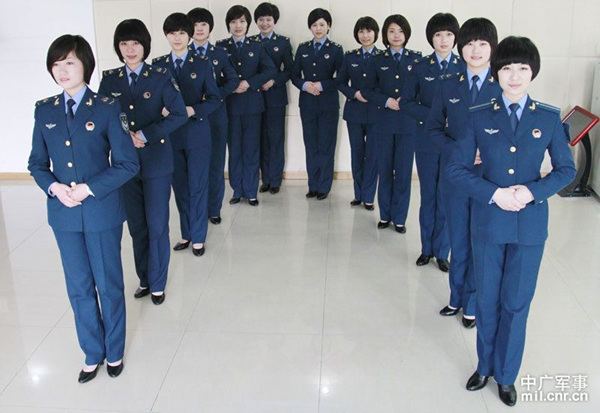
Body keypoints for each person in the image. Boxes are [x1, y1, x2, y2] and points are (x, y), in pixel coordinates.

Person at [447, 36, 576, 407]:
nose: (514, 76)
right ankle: (484, 367)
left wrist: (533, 192)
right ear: (496, 72)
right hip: (489, 223)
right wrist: (494, 193)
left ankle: (506, 375)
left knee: (516, 304)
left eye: (522, 68)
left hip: (529, 227)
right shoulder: (478, 115)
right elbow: (456, 169)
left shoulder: (548, 118)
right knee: (487, 301)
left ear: (533, 72)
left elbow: (566, 170)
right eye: (506, 68)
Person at [28, 34, 139, 382]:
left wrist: (88, 188)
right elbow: (36, 163)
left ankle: (114, 350)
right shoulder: (45, 109)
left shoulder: (106, 106)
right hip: (63, 214)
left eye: (70, 62)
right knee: (78, 286)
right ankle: (92, 352)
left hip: (101, 211)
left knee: (108, 285)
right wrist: (54, 187)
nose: (62, 70)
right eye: (56, 64)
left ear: (85, 65)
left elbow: (127, 163)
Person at [99, 19, 187, 305]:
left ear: (145, 45)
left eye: (135, 43)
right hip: (125, 165)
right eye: (124, 43)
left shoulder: (160, 76)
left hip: (157, 162)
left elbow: (179, 114)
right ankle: (145, 278)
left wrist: (146, 134)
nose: (130, 49)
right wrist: (125, 137)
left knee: (157, 224)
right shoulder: (110, 79)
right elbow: (102, 120)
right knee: (137, 226)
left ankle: (158, 282)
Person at [427, 18, 501, 329]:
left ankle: (472, 303)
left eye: (483, 43)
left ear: (492, 48)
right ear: (461, 48)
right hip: (456, 176)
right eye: (469, 43)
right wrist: (461, 152)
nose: (476, 49)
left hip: (490, 178)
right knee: (458, 240)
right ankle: (456, 297)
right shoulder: (448, 84)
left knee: (480, 242)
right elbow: (433, 129)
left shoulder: (503, 84)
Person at [152, 13, 221, 257]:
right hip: (171, 135)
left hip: (197, 133)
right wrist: (159, 109)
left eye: (182, 33)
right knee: (180, 186)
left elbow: (214, 99)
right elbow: (152, 99)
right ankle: (186, 233)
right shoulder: (159, 65)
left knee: (198, 186)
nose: (177, 38)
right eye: (172, 33)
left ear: (189, 35)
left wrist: (193, 109)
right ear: (166, 36)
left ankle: (199, 236)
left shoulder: (202, 63)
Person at [401, 13, 464, 271]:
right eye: (438, 35)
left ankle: (442, 251)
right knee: (428, 195)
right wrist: (435, 117)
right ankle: (426, 249)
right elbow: (406, 103)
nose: (444, 39)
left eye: (449, 34)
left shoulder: (464, 66)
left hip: (454, 143)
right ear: (431, 38)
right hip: (426, 140)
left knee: (446, 196)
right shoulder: (419, 66)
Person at [363, 14, 421, 232]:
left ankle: (400, 219)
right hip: (383, 123)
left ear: (407, 34)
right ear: (385, 35)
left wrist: (407, 102)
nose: (396, 35)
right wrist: (386, 101)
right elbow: (368, 90)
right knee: (385, 170)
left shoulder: (416, 59)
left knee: (403, 173)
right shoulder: (377, 59)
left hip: (408, 124)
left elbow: (421, 91)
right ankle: (385, 215)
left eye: (400, 31)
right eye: (391, 31)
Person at [217, 5, 276, 206]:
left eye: (242, 21)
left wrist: (249, 83)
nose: (238, 25)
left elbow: (270, 70)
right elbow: (215, 76)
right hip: (230, 106)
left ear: (248, 24)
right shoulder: (221, 47)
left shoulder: (257, 46)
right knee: (234, 149)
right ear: (228, 25)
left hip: (252, 106)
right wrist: (230, 86)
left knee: (251, 149)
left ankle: (251, 191)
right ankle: (237, 190)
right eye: (234, 22)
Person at [187, 7, 240, 225]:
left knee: (216, 165)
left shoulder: (220, 54)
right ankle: (196, 210)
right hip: (191, 120)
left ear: (210, 28)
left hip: (216, 117)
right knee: (194, 168)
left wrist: (214, 95)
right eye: (195, 25)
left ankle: (214, 209)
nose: (199, 29)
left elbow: (233, 80)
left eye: (204, 25)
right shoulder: (183, 54)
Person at [291, 8, 344, 200]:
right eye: (314, 25)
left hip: (328, 104)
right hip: (307, 104)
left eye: (322, 24)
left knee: (326, 146)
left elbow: (341, 78)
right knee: (311, 145)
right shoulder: (303, 48)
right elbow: (294, 75)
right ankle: (312, 185)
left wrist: (321, 85)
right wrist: (305, 85)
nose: (318, 28)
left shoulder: (336, 49)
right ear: (310, 27)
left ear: (328, 26)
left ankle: (324, 186)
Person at [336, 16, 380, 211]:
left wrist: (372, 95)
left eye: (369, 31)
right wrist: (354, 93)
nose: (365, 35)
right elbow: (340, 82)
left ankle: (368, 197)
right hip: (354, 112)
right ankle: (358, 193)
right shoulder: (350, 57)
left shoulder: (383, 57)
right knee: (357, 153)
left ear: (375, 33)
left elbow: (386, 84)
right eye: (361, 31)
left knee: (372, 155)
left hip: (376, 113)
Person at [251, 2, 293, 195]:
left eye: (268, 19)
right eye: (261, 19)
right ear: (256, 21)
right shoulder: (250, 42)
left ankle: (275, 180)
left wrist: (273, 81)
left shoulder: (283, 42)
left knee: (275, 139)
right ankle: (265, 179)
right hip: (255, 97)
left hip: (275, 98)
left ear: (274, 21)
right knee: (259, 139)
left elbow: (290, 71)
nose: (265, 23)